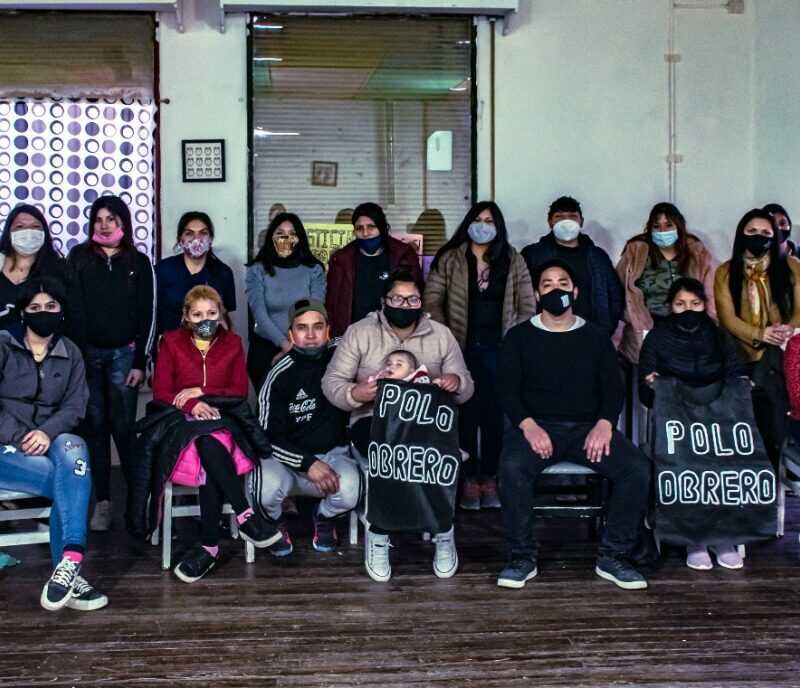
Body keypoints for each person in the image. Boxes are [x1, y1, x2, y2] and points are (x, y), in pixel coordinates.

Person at [496, 259, 651, 591]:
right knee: (511, 468)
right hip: (536, 428)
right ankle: (522, 556)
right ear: (537, 294)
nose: (556, 289)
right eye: (548, 284)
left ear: (575, 292)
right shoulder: (519, 337)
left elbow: (613, 389)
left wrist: (605, 424)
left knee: (636, 468)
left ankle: (614, 556)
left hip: (587, 429)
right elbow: (507, 390)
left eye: (563, 283)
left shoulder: (595, 337)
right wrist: (528, 426)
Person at [322, 267, 474, 582]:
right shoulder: (360, 332)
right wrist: (356, 393)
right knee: (388, 456)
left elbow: (467, 385)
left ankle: (444, 533)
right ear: (384, 301)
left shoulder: (441, 334)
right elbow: (331, 382)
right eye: (397, 299)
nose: (405, 305)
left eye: (412, 299)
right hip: (374, 423)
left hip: (427, 424)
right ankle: (379, 534)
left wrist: (455, 382)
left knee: (445, 459)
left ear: (421, 302)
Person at [148, 285, 281, 582]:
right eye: (197, 315)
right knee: (206, 443)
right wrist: (193, 405)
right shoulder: (171, 342)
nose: (205, 320)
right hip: (181, 421)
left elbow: (238, 391)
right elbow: (161, 392)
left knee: (211, 443)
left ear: (221, 314)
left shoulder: (233, 342)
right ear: (186, 317)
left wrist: (202, 391)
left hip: (223, 417)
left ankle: (209, 547)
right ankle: (246, 517)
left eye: (211, 313)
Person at [0, 277, 107, 611]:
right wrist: (21, 436)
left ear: (61, 310)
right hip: (6, 446)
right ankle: (72, 574)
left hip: (51, 442)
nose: (43, 312)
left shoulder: (69, 352)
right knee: (75, 479)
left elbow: (75, 406)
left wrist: (46, 432)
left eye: (51, 306)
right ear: (22, 312)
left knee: (74, 447)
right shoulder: (3, 345)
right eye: (34, 307)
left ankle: (69, 562)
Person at [424, 201, 535, 510]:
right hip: (461, 349)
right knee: (465, 415)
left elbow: (527, 305)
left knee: (495, 416)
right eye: (478, 220)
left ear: (498, 227)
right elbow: (432, 301)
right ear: (468, 223)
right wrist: (445, 339)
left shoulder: (513, 259)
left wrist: (514, 341)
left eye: (489, 221)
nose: (483, 226)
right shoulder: (451, 258)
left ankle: (491, 477)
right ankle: (469, 479)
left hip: (501, 350)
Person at [638, 277, 746, 570]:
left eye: (695, 303)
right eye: (680, 304)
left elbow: (735, 373)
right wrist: (653, 385)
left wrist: (739, 387)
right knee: (688, 462)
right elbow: (644, 392)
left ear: (704, 305)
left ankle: (723, 537)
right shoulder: (656, 338)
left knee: (726, 461)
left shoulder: (720, 336)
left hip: (717, 420)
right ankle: (694, 540)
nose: (688, 309)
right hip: (676, 422)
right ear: (670, 307)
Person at [67, 195, 155, 531]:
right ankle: (103, 502)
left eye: (111, 219)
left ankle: (137, 504)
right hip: (87, 357)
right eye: (99, 219)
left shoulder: (139, 261)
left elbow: (148, 313)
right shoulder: (78, 258)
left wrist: (140, 361)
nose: (104, 225)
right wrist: (76, 360)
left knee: (123, 428)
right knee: (95, 429)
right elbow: (71, 308)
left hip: (124, 356)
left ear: (123, 223)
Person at [251, 299, 358, 556]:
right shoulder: (277, 374)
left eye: (317, 327)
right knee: (263, 490)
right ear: (291, 335)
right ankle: (276, 521)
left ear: (328, 331)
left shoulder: (343, 355)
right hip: (287, 463)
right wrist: (307, 463)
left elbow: (365, 335)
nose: (310, 335)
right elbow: (266, 437)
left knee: (352, 490)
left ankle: (324, 517)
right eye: (302, 328)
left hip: (332, 457)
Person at [714, 209, 800, 464]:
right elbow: (727, 318)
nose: (758, 237)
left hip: (782, 353)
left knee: (776, 422)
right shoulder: (725, 271)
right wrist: (760, 334)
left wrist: (786, 329)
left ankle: (772, 477)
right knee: (746, 424)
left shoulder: (792, 266)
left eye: (765, 232)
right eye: (751, 231)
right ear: (741, 234)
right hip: (741, 354)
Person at [617, 202, 716, 364]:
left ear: (679, 225)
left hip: (688, 326)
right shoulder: (636, 251)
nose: (663, 231)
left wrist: (709, 326)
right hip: (646, 326)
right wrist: (632, 318)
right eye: (657, 226)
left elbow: (709, 294)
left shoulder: (696, 251)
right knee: (648, 373)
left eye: (668, 225)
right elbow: (618, 289)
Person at [521, 196, 624, 337]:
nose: (566, 222)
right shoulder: (533, 254)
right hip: (545, 335)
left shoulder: (598, 256)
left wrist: (606, 329)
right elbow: (522, 296)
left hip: (591, 334)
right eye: (559, 217)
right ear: (550, 222)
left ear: (581, 221)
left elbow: (615, 295)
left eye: (572, 216)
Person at [246, 212, 325, 387]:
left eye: (292, 234)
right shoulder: (257, 270)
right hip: (265, 349)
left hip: (305, 347)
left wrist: (295, 350)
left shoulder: (314, 270)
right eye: (280, 233)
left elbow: (314, 312)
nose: (286, 238)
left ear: (300, 239)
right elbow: (259, 313)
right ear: (271, 237)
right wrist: (286, 346)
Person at [326, 203, 423, 338]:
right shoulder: (341, 259)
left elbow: (416, 296)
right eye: (359, 228)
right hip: (354, 336)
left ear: (382, 227)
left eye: (371, 227)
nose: (365, 233)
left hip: (395, 335)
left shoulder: (404, 255)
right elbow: (332, 304)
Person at [154, 211, 236, 342]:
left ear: (211, 239)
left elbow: (226, 318)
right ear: (180, 239)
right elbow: (151, 314)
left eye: (203, 233)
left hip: (209, 346)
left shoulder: (223, 273)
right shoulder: (162, 270)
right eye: (189, 233)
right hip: (170, 346)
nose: (197, 239)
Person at [0, 204, 66, 331]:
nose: (28, 232)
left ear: (44, 233)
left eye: (35, 227)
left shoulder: (58, 270)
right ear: (8, 232)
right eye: (20, 227)